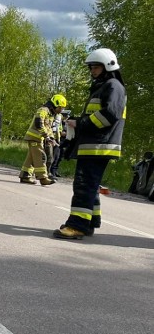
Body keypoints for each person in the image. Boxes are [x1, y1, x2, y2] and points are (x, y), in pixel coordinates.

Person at [54, 48, 126, 240]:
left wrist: (81, 123)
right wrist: (77, 122)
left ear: (108, 66)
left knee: (84, 184)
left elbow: (109, 115)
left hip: (99, 146)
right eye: (91, 67)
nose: (92, 71)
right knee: (90, 185)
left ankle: (77, 225)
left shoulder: (113, 86)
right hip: (95, 145)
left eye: (95, 67)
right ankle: (90, 222)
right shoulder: (105, 86)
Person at [19, 95, 65, 185]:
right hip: (34, 138)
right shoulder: (43, 110)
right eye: (61, 108)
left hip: (38, 138)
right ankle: (43, 178)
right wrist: (46, 136)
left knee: (32, 158)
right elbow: (38, 123)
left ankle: (25, 175)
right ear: (56, 105)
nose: (61, 110)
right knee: (41, 157)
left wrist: (51, 138)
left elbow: (49, 127)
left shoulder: (51, 114)